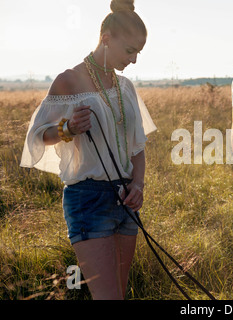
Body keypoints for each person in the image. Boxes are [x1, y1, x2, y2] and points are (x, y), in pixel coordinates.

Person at [20, 0, 156, 300]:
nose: (133, 60)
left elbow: (138, 147)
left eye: (138, 53)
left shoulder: (126, 87)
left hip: (126, 200)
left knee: (120, 295)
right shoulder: (68, 80)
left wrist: (138, 185)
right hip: (88, 200)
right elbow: (36, 138)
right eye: (130, 51)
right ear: (106, 38)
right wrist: (67, 129)